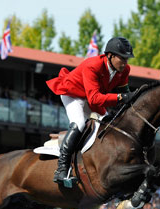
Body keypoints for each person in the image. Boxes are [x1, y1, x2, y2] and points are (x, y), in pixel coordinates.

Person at [46, 37, 136, 186]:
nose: (125, 62)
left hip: (90, 97)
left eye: (127, 58)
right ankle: (61, 169)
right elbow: (96, 99)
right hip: (72, 94)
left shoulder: (124, 70)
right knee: (80, 123)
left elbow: (125, 95)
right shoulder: (93, 65)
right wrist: (121, 97)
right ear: (110, 56)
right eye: (122, 58)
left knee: (108, 127)